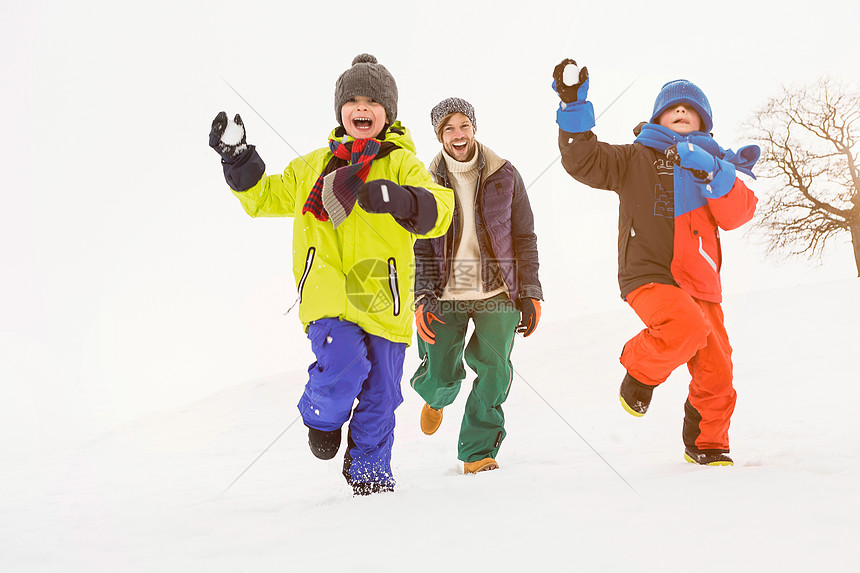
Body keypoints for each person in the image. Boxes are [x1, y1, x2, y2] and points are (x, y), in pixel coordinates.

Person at [208, 54, 454, 495]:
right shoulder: (313, 166)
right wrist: (239, 159)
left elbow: (440, 209)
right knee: (343, 363)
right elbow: (264, 197)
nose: (362, 108)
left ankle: (371, 482)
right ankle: (322, 417)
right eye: (353, 100)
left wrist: (401, 200)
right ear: (341, 110)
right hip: (327, 294)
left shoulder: (402, 163)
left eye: (373, 101)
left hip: (386, 300)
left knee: (381, 400)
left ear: (388, 113)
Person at [552, 59, 760, 466]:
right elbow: (584, 161)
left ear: (703, 122)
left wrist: (715, 171)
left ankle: (708, 443)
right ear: (658, 118)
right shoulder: (636, 159)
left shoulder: (721, 167)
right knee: (684, 327)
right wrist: (573, 106)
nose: (681, 111)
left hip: (701, 282)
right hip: (651, 274)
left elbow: (738, 214)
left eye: (691, 108)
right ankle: (640, 372)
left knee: (717, 369)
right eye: (672, 107)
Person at [410, 97, 543, 474]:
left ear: (474, 127)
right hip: (444, 292)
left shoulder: (505, 173)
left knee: (495, 371)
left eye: (463, 125)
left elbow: (524, 235)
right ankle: (436, 396)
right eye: (448, 128)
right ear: (439, 135)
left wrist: (530, 292)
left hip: (495, 289)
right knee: (441, 372)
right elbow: (417, 245)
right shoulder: (423, 181)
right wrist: (421, 297)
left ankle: (478, 451)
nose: (458, 134)